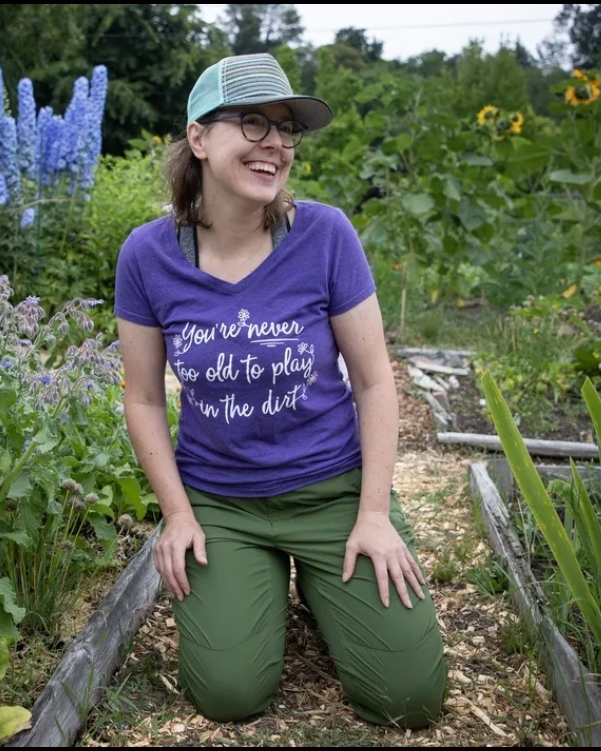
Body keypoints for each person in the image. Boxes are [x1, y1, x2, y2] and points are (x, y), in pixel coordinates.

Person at [112, 52, 448, 730]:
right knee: (229, 693)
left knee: (407, 698)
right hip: (221, 505)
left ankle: (324, 594)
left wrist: (374, 514)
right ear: (199, 138)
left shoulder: (324, 236)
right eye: (254, 123)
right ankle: (261, 587)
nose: (277, 143)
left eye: (287, 128)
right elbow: (143, 397)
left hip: (332, 492)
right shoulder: (146, 255)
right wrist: (178, 514)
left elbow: (375, 379)